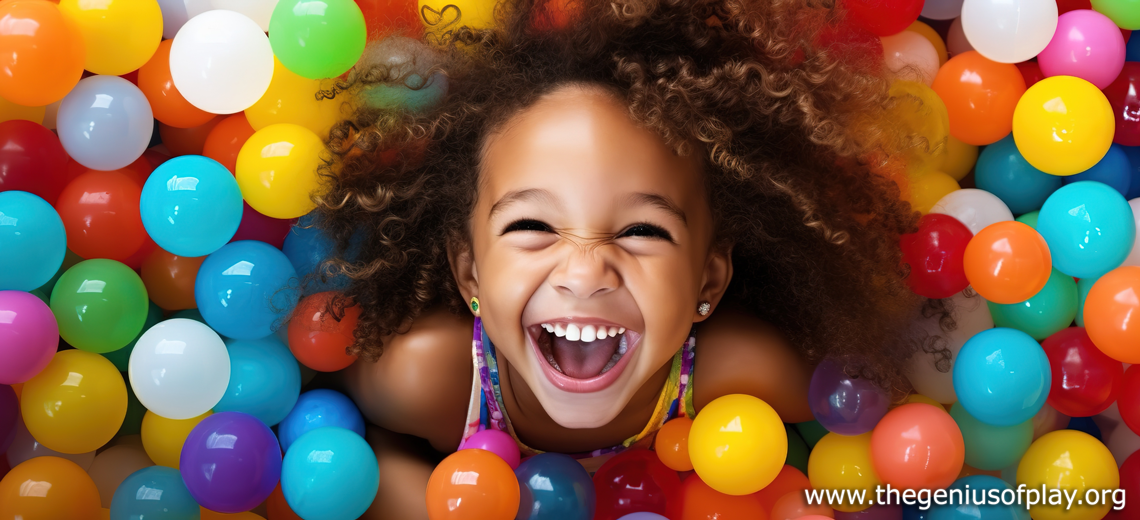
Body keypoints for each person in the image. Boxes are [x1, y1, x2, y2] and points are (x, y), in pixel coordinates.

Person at [313, 0, 930, 516]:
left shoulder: (746, 375)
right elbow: (346, 424)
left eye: (642, 230)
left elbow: (877, 418)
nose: (584, 274)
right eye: (532, 225)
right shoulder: (429, 377)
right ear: (469, 269)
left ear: (708, 278)